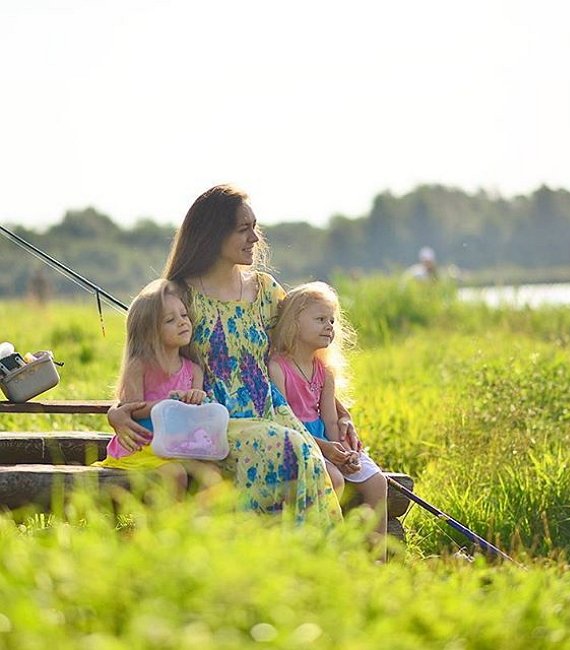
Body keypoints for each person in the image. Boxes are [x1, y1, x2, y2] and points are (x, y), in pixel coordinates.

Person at [106, 184, 342, 527]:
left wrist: (340, 413)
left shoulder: (265, 291)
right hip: (212, 421)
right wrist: (117, 411)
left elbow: (300, 351)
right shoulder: (180, 293)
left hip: (271, 410)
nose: (254, 238)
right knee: (285, 445)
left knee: (311, 459)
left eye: (254, 228)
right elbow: (146, 359)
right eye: (243, 229)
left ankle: (303, 563)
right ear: (214, 233)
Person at [268, 281, 387, 552]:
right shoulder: (278, 368)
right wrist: (328, 452)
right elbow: (285, 421)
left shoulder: (325, 371)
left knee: (376, 481)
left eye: (332, 321)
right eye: (320, 319)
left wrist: (345, 454)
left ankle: (377, 557)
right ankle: (332, 549)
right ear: (294, 323)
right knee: (332, 478)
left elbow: (331, 420)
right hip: (298, 443)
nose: (329, 326)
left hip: (326, 443)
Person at [98, 278, 207, 495]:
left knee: (210, 472)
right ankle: (170, 523)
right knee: (175, 474)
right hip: (142, 447)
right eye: (170, 320)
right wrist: (167, 404)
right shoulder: (139, 366)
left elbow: (196, 414)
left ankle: (200, 524)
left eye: (184, 316)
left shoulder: (194, 370)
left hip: (177, 447)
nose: (182, 322)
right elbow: (131, 408)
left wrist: (196, 397)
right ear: (150, 331)